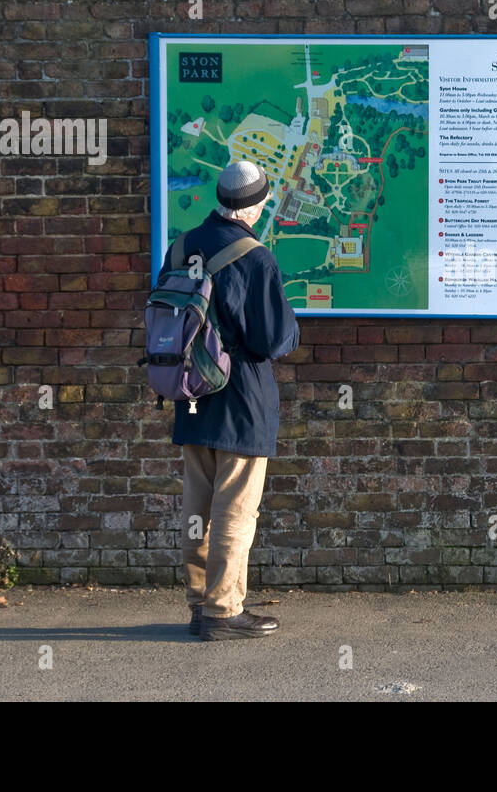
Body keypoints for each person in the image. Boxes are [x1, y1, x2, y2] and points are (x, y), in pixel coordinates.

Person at [157, 160, 299, 641]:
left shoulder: (180, 247)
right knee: (236, 509)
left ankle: (200, 604)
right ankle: (223, 610)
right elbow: (272, 340)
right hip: (241, 398)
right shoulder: (256, 257)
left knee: (197, 506)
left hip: (191, 391)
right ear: (256, 206)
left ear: (220, 199)